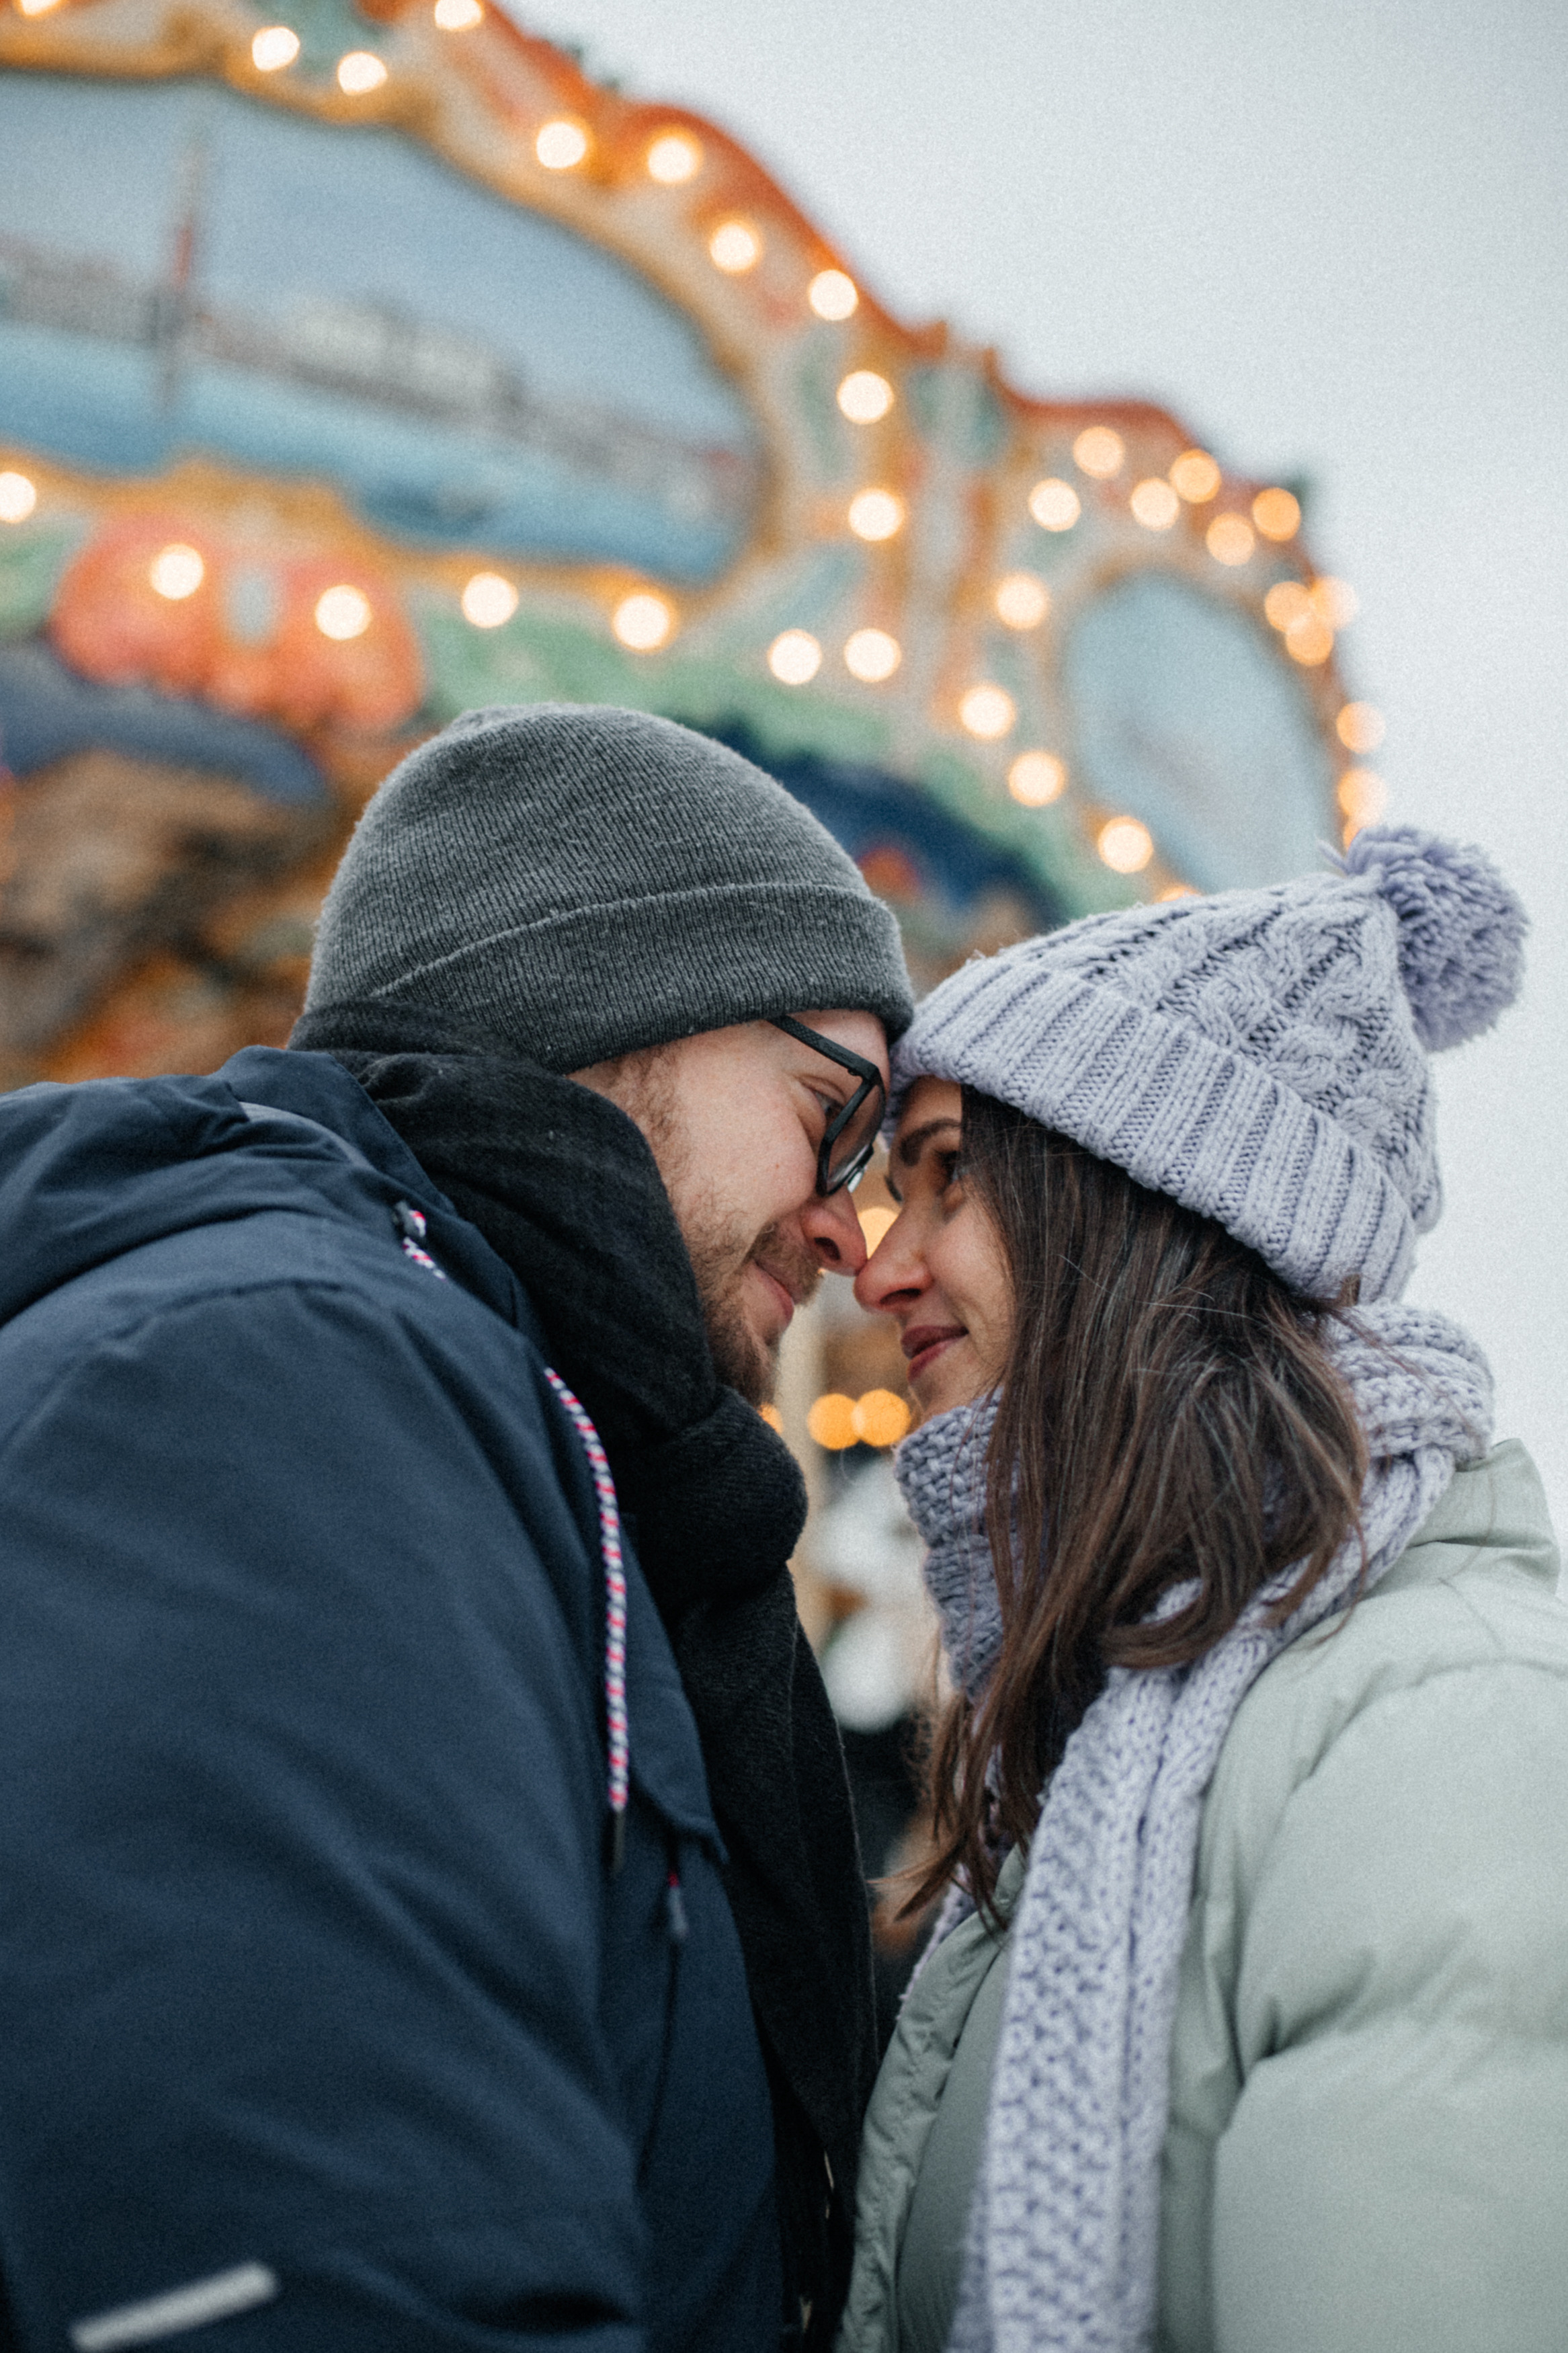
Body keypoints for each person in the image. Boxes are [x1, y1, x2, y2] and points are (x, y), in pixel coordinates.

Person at [0, 705, 915, 2353]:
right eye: (833, 1115)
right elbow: (333, 2263)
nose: (854, 1226)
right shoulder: (282, 1375)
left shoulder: (530, 1445)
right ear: (606, 999)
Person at [839, 825, 1568, 2353]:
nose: (881, 1267)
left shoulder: (1436, 1730)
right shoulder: (1111, 1728)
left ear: (1149, 1212)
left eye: (951, 1175)